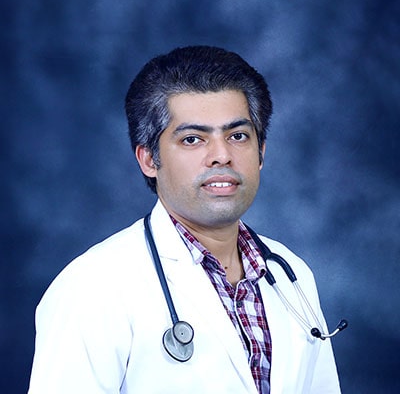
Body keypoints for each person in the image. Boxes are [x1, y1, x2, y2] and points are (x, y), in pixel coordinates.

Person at [28, 46, 341, 393]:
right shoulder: (91, 288)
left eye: (238, 136)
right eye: (193, 139)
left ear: (261, 152)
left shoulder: (291, 275)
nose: (221, 155)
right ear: (149, 160)